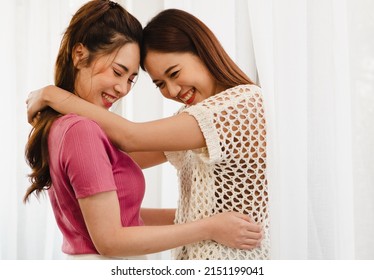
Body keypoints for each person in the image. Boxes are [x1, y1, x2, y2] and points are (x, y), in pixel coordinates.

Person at [24, 1, 263, 260]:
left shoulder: (238, 105)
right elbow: (125, 150)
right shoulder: (80, 130)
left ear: (202, 51)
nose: (172, 92)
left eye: (130, 79)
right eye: (160, 83)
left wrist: (53, 95)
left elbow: (130, 143)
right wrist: (207, 226)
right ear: (79, 54)